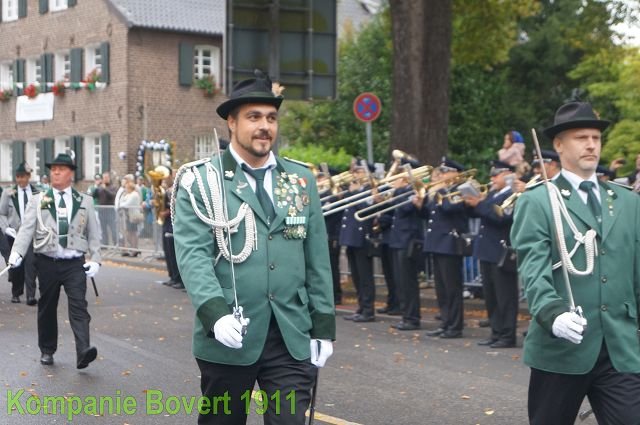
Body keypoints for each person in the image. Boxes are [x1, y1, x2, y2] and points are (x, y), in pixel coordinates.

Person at [173, 70, 335, 425]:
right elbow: (193, 255)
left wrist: (323, 326)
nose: (265, 127)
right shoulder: (202, 181)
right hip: (231, 331)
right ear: (232, 122)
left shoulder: (300, 179)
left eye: (271, 118)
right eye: (254, 117)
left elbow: (317, 259)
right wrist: (215, 315)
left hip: (290, 333)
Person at [511, 101, 640, 424]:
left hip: (619, 347)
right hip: (562, 346)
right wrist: (552, 314)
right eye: (581, 137)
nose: (591, 145)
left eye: (596, 138)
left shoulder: (628, 202)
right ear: (559, 145)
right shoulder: (538, 201)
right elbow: (534, 270)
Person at [7, 153, 101, 368]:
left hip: (74, 262)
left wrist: (96, 259)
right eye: (53, 169)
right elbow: (26, 229)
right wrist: (17, 252)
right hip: (47, 261)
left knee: (79, 305)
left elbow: (94, 233)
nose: (56, 172)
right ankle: (47, 350)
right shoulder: (38, 199)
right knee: (47, 307)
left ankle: (83, 350)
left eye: (61, 169)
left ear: (71, 173)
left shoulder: (84, 201)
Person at [464, 160, 519, 348]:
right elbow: (480, 213)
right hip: (487, 250)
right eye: (492, 175)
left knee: (505, 297)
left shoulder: (513, 194)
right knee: (491, 296)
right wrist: (471, 203)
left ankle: (507, 335)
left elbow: (502, 217)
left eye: (496, 175)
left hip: (501, 251)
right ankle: (496, 332)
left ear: (507, 174)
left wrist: (479, 204)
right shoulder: (493, 194)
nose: (492, 178)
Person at [415, 157, 469, 338]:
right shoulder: (441, 192)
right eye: (442, 172)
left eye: (446, 172)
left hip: (450, 243)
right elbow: (429, 213)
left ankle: (455, 326)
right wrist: (420, 204)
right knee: (442, 288)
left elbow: (449, 209)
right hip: (437, 243)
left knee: (452, 288)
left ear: (456, 174)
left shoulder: (460, 190)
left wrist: (441, 191)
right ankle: (445, 322)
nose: (442, 175)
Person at [0, 162, 40, 304]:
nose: (20, 180)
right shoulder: (8, 193)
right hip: (14, 235)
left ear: (28, 177)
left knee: (31, 265)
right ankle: (16, 293)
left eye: (23, 176)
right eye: (18, 177)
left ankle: (31, 295)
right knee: (16, 265)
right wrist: (6, 228)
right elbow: (2, 213)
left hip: (30, 235)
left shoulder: (36, 192)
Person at [118, 178, 142, 257]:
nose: (125, 189)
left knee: (133, 233)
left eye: (126, 188)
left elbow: (126, 204)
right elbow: (121, 202)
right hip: (128, 216)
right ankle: (133, 248)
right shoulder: (128, 194)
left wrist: (122, 204)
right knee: (129, 233)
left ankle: (134, 249)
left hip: (133, 216)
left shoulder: (134, 195)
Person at [94, 171, 118, 246]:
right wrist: (96, 187)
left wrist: (105, 189)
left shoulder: (113, 187)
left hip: (110, 211)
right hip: (102, 212)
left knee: (113, 229)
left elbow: (112, 196)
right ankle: (105, 244)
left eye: (107, 177)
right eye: (104, 177)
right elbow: (93, 195)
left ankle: (116, 244)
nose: (105, 179)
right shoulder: (100, 188)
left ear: (109, 178)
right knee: (103, 229)